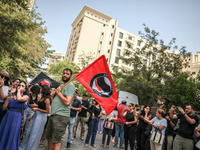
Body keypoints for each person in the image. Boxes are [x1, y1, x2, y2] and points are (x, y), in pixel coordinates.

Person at [45, 68, 75, 150]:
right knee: (49, 138)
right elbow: (51, 95)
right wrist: (55, 92)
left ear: (71, 76)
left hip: (61, 116)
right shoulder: (62, 85)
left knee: (56, 141)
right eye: (64, 73)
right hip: (54, 115)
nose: (65, 75)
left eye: (67, 74)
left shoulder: (70, 86)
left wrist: (58, 93)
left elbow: (67, 102)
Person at [19, 84, 51, 150]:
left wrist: (37, 109)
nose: (40, 89)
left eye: (41, 88)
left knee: (34, 134)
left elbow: (48, 111)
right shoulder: (41, 97)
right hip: (36, 115)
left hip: (41, 117)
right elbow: (38, 107)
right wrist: (32, 116)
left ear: (43, 89)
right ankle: (23, 147)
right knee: (28, 132)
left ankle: (31, 148)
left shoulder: (47, 99)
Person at [0, 80, 29, 150]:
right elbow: (4, 108)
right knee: (4, 132)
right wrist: (7, 100)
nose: (20, 87)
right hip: (8, 116)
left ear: (24, 89)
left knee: (12, 134)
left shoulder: (26, 97)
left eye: (22, 86)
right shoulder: (11, 96)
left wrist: (18, 91)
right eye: (19, 85)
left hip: (17, 117)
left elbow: (19, 99)